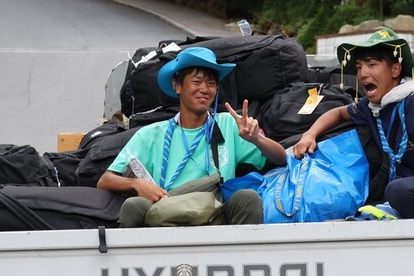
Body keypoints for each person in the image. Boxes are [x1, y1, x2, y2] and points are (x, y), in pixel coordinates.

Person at [292, 29, 414, 230]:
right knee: (372, 204)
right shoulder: (372, 107)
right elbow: (338, 113)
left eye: (372, 65)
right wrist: (310, 135)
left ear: (395, 71)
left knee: (397, 190)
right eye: (359, 67)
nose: (362, 73)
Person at [97, 47, 288, 227]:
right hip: (164, 212)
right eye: (196, 82)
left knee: (248, 198)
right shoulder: (151, 134)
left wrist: (256, 139)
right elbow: (105, 180)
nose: (205, 89)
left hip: (215, 213)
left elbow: (280, 157)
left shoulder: (229, 124)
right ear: (177, 86)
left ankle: (237, 260)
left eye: (211, 83)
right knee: (133, 206)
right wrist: (136, 183)